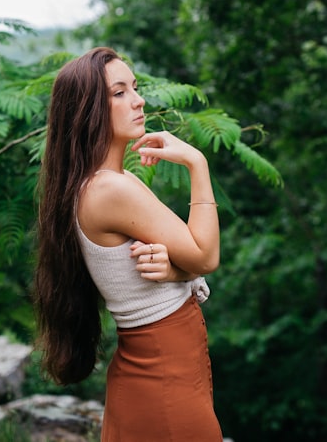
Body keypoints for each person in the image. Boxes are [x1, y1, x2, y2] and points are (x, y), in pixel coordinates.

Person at [33, 46, 223, 441]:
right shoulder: (111, 190)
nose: (138, 101)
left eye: (134, 88)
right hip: (162, 374)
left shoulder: (104, 184)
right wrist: (197, 163)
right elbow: (205, 255)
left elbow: (188, 258)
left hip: (160, 369)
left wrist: (174, 268)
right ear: (88, 110)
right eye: (119, 93)